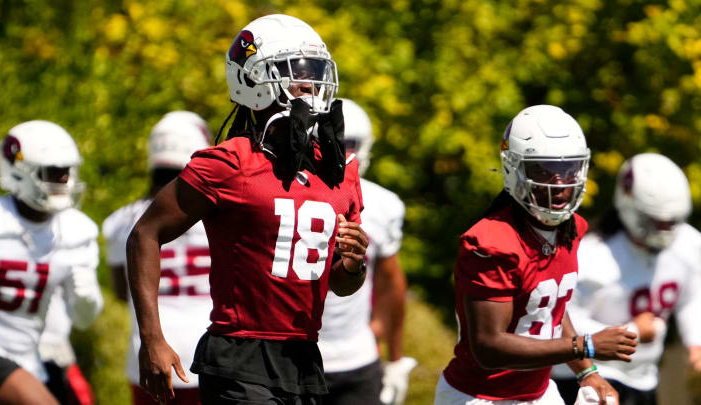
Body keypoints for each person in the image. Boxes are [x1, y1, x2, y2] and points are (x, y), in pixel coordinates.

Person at [126, 14, 368, 405]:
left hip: (305, 358)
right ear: (253, 79)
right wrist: (151, 338)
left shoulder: (340, 171)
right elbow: (144, 234)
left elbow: (341, 284)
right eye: (295, 71)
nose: (310, 83)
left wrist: (355, 265)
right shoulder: (228, 163)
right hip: (238, 356)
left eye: (316, 70)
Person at [434, 105, 638, 405]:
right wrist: (584, 346)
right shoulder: (492, 243)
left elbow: (549, 307)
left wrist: (587, 373)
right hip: (479, 397)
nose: (559, 183)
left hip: (538, 392)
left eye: (568, 169)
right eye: (544, 170)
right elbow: (489, 348)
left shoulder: (571, 229)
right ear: (513, 169)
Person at [551, 153, 701, 405]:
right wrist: (631, 331)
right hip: (584, 376)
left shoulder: (688, 243)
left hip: (643, 376)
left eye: (671, 222)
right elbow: (559, 324)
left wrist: (695, 343)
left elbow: (692, 296)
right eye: (657, 222)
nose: (665, 230)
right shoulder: (591, 254)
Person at [0, 120, 104, 405]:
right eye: (54, 172)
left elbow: (85, 320)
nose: (63, 180)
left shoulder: (76, 230)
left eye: (66, 172)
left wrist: (85, 293)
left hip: (28, 360)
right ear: (21, 171)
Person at [102, 111, 213, 405]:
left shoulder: (120, 221)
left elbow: (123, 292)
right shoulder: (219, 216)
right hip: (211, 354)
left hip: (151, 352)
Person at [317, 99, 416, 405]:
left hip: (355, 357)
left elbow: (391, 284)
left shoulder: (383, 204)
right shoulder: (290, 191)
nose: (342, 151)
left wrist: (394, 356)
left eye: (350, 144)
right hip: (297, 353)